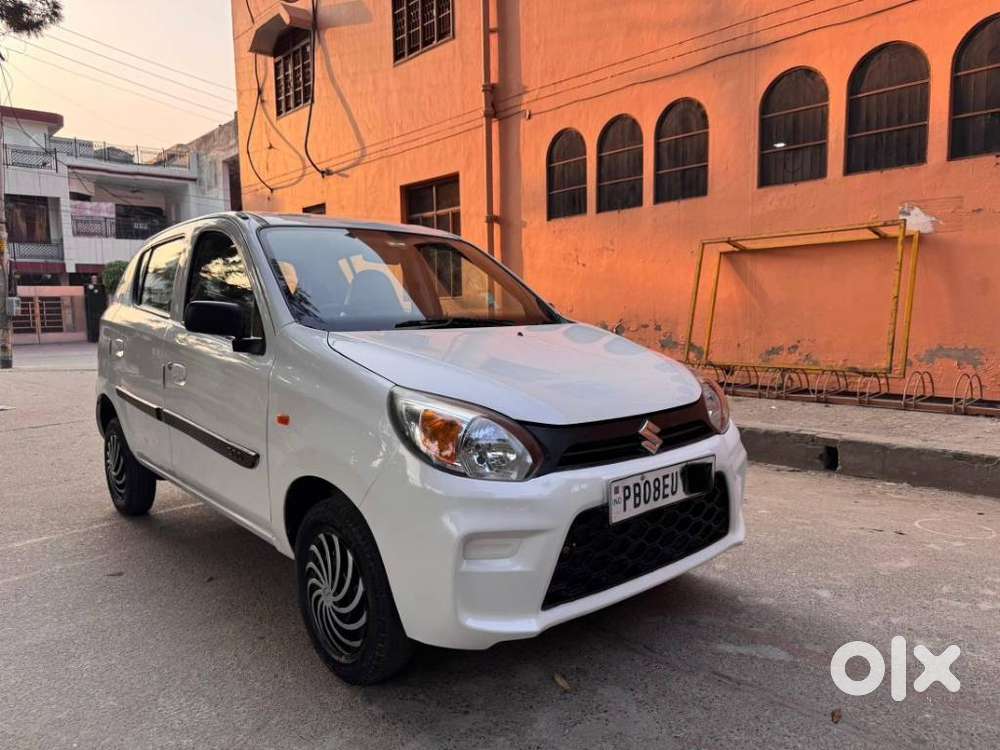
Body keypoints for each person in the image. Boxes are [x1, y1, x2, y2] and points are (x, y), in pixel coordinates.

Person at [84, 274, 107, 343]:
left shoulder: (100, 287)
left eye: (95, 278)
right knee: (92, 325)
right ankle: (93, 339)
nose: (94, 279)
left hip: (100, 309)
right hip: (91, 310)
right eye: (93, 278)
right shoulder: (89, 287)